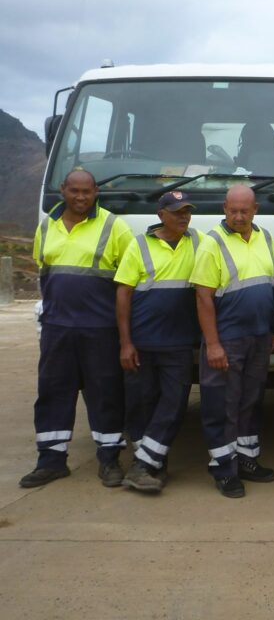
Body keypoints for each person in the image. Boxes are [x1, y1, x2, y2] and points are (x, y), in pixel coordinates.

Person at [20, 169, 133, 489]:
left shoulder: (114, 227)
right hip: (57, 327)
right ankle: (51, 461)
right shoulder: (47, 226)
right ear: (63, 190)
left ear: (96, 192)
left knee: (105, 393)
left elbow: (129, 280)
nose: (80, 197)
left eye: (86, 191)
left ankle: (109, 460)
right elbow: (45, 272)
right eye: (74, 191)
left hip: (101, 329)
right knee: (53, 392)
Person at [190, 184, 274, 498]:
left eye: (245, 211)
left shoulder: (265, 237)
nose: (238, 217)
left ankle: (247, 460)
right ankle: (224, 469)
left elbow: (268, 287)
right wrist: (213, 344)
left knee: (250, 400)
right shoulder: (211, 243)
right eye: (233, 211)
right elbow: (203, 298)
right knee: (222, 405)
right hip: (227, 339)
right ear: (224, 209)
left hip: (258, 337)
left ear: (255, 210)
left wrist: (271, 329)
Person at [114, 190, 203, 493]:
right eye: (177, 212)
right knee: (141, 404)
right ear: (161, 215)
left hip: (179, 343)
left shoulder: (199, 242)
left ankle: (143, 465)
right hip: (142, 342)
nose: (183, 217)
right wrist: (126, 343)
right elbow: (123, 294)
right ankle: (152, 465)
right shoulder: (139, 245)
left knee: (174, 403)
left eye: (187, 211)